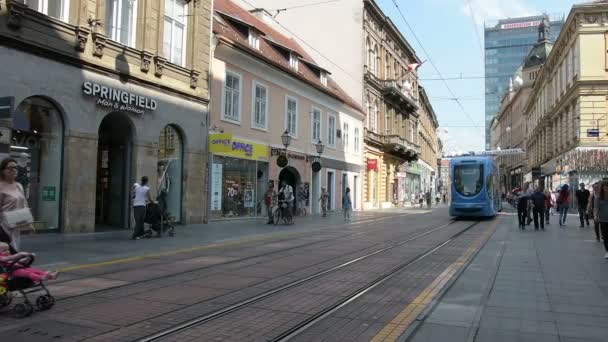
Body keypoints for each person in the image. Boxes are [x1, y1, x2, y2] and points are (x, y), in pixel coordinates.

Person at [0, 158, 31, 252]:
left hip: (17, 223)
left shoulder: (19, 185)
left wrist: (28, 221)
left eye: (15, 168)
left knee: (15, 248)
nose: (13, 170)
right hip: (3, 225)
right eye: (10, 168)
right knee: (6, 249)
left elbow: (24, 203)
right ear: (3, 171)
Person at [593, 181, 608, 259]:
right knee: (605, 236)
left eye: (607, 187)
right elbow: (596, 208)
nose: (606, 189)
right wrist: (595, 215)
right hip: (602, 219)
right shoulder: (598, 197)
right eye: (604, 187)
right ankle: (607, 251)